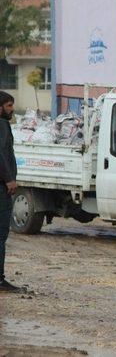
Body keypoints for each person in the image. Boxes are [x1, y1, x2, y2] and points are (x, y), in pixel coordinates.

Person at [0, 91, 19, 292]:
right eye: (8, 105)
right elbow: (1, 154)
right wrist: (9, 179)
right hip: (1, 188)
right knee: (1, 233)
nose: (11, 109)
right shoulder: (2, 125)